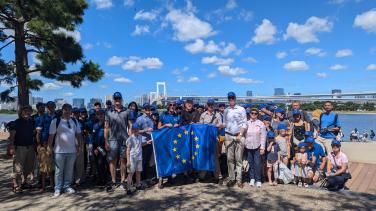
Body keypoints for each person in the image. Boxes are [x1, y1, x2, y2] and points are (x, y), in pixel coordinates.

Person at [48, 104, 83, 197]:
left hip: (72, 151)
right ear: (62, 110)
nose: (67, 111)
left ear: (71, 111)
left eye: (69, 110)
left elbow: (78, 135)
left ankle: (67, 186)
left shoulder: (74, 121)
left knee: (69, 170)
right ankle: (58, 188)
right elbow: (51, 136)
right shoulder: (56, 121)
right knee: (59, 171)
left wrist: (79, 146)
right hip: (59, 151)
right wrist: (49, 147)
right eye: (65, 109)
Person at [105, 92, 132, 192]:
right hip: (112, 140)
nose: (117, 100)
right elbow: (106, 127)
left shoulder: (127, 111)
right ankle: (113, 181)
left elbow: (130, 126)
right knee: (112, 161)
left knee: (123, 160)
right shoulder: (108, 112)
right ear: (113, 99)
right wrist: (106, 141)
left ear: (121, 99)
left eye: (119, 98)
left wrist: (130, 138)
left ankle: (122, 181)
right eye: (115, 98)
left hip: (124, 140)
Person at [8, 105, 36, 193]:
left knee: (29, 167)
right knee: (18, 168)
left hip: (30, 147)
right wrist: (12, 147)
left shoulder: (31, 122)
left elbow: (33, 133)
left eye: (29, 111)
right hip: (19, 148)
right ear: (21, 112)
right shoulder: (16, 122)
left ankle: (23, 182)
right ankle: (15, 184)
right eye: (25, 111)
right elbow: (12, 136)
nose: (27, 112)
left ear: (31, 112)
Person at [223, 92, 247, 188]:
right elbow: (225, 123)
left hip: (238, 135)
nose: (231, 99)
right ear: (228, 99)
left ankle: (239, 180)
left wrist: (240, 134)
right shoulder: (226, 110)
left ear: (235, 98)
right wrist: (218, 125)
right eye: (229, 98)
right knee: (229, 159)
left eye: (232, 98)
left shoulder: (241, 109)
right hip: (228, 135)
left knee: (239, 159)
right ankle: (232, 178)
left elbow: (244, 123)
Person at [198, 99, 224, 183]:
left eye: (212, 105)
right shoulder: (203, 114)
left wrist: (214, 127)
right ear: (207, 105)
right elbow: (200, 127)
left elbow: (220, 126)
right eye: (209, 105)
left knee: (215, 158)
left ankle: (218, 177)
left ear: (214, 105)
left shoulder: (218, 115)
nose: (210, 106)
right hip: (205, 139)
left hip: (214, 138)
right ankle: (202, 176)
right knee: (204, 157)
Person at [157, 101, 181, 188]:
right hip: (164, 140)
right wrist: (165, 125)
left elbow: (181, 130)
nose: (172, 106)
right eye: (170, 105)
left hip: (174, 141)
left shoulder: (178, 116)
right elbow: (158, 128)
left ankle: (170, 177)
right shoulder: (163, 115)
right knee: (163, 159)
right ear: (168, 106)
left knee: (172, 158)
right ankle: (161, 178)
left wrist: (178, 125)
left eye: (174, 105)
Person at [244, 108, 266, 188]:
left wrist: (262, 148)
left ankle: (258, 179)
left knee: (257, 163)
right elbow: (243, 134)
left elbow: (263, 136)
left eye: (255, 113)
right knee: (250, 163)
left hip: (257, 146)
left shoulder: (261, 123)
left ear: (257, 114)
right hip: (248, 146)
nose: (253, 114)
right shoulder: (246, 123)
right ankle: (252, 178)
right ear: (249, 114)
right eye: (252, 113)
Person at [135, 103, 155, 186]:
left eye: (149, 108)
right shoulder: (139, 119)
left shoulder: (151, 118)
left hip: (150, 142)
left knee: (147, 163)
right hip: (143, 143)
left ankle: (146, 179)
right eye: (146, 108)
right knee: (142, 163)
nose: (148, 110)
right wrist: (145, 130)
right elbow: (135, 131)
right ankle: (140, 181)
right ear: (143, 109)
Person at [126, 124, 143, 195]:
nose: (136, 130)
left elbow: (140, 144)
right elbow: (128, 150)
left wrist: (147, 142)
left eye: (137, 129)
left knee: (138, 172)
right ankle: (128, 188)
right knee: (131, 173)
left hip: (139, 157)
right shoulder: (130, 139)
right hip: (132, 158)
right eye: (134, 129)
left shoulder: (140, 137)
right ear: (132, 130)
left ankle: (138, 185)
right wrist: (128, 161)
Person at [92, 109, 107, 186]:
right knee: (98, 163)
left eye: (102, 114)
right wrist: (95, 148)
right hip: (97, 147)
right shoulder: (95, 125)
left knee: (102, 163)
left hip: (105, 147)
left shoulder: (107, 124)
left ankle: (104, 179)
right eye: (98, 114)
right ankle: (100, 178)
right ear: (96, 116)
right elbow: (93, 138)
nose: (100, 115)